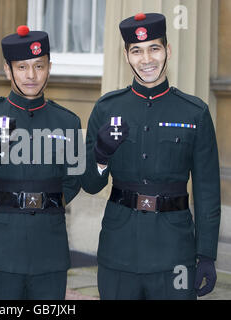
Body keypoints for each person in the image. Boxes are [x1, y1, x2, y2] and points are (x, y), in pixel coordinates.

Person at [81, 13, 220, 300]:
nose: (147, 59)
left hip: (174, 251)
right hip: (119, 248)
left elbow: (208, 191)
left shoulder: (194, 113)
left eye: (154, 48)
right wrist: (101, 156)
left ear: (167, 51)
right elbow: (90, 185)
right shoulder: (107, 109)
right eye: (137, 51)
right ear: (126, 56)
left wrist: (206, 254)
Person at [0, 25, 81, 300]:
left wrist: (47, 203)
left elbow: (74, 179)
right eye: (22, 67)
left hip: (49, 245)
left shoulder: (67, 121)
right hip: (1, 247)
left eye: (39, 66)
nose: (31, 75)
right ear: (7, 69)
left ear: (49, 67)